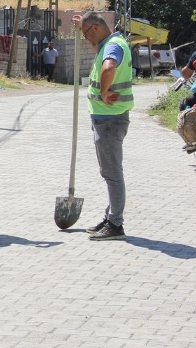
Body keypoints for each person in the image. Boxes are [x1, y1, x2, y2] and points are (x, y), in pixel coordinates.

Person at [76, 12, 133, 241]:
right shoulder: (110, 43)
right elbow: (103, 58)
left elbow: (108, 67)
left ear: (96, 28)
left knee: (112, 173)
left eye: (86, 33)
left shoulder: (114, 46)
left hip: (110, 119)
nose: (86, 39)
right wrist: (81, 25)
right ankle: (110, 217)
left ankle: (116, 224)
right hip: (107, 118)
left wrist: (103, 91)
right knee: (109, 172)